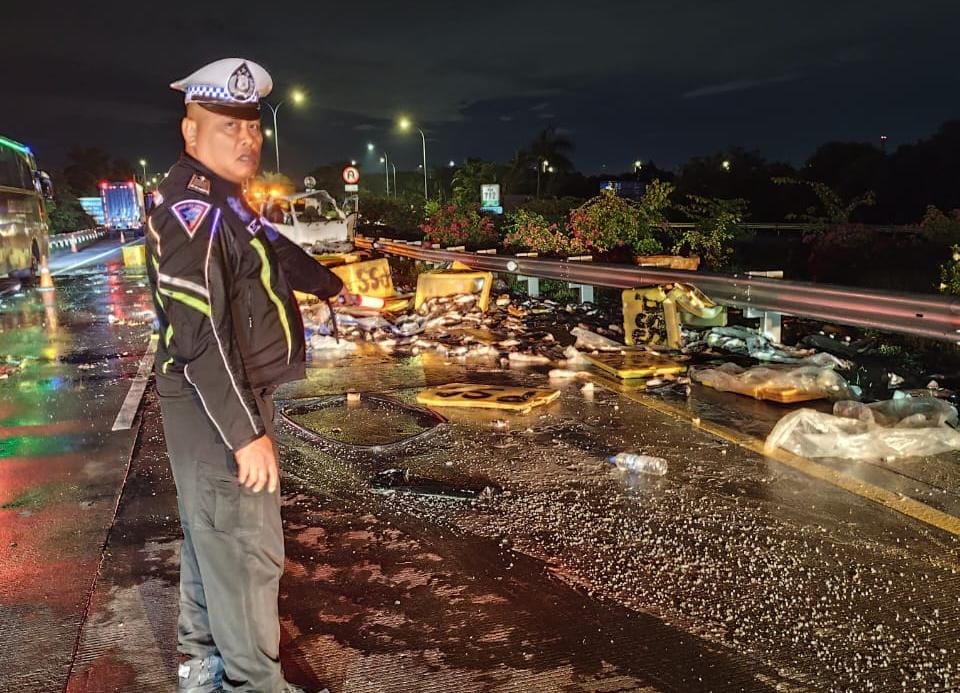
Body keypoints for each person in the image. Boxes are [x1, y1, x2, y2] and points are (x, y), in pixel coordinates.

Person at [145, 58, 350, 693]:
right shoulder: (193, 213)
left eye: (252, 126)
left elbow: (273, 249)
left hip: (220, 396)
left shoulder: (224, 199)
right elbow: (200, 337)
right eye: (228, 126)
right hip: (216, 404)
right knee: (244, 552)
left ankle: (201, 670)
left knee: (210, 543)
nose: (246, 139)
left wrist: (331, 286)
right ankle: (254, 685)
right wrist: (245, 434)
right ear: (191, 131)